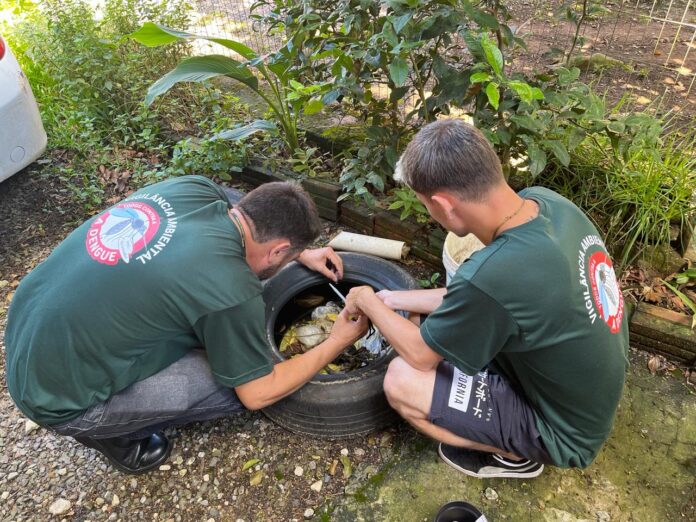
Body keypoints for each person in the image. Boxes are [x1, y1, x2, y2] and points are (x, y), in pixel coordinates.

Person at [5, 175, 368, 474]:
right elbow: (257, 393)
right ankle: (116, 437)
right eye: (285, 256)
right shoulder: (230, 287)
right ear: (276, 249)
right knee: (240, 383)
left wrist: (301, 252)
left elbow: (241, 207)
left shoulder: (191, 188)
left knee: (206, 328)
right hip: (59, 400)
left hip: (27, 326)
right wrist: (337, 340)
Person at [344, 119, 629, 478]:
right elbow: (485, 297)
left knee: (401, 381)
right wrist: (395, 299)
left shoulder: (492, 275)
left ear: (444, 205)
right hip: (588, 394)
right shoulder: (546, 203)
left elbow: (419, 355)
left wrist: (366, 299)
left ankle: (516, 455)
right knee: (441, 330)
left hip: (565, 432)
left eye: (425, 205)